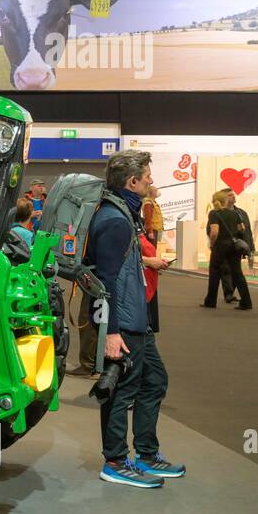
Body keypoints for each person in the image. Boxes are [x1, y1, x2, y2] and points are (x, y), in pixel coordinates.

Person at [87, 149, 183, 488]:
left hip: (135, 319)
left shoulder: (123, 215)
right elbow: (105, 281)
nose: (151, 182)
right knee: (121, 392)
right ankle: (114, 460)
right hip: (123, 323)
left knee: (154, 381)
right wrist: (111, 332)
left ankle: (146, 453)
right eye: (147, 178)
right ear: (132, 182)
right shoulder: (114, 220)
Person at [202, 189, 252, 310]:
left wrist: (212, 244)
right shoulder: (235, 213)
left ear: (215, 201)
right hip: (233, 246)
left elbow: (214, 232)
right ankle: (246, 302)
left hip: (220, 245)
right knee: (237, 274)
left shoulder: (214, 213)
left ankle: (210, 301)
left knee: (214, 272)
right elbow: (242, 228)